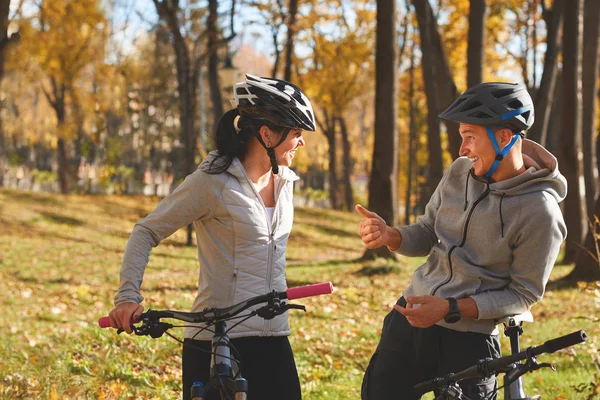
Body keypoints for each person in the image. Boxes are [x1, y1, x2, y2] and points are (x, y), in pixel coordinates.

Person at [108, 74, 316, 400]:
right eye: (296, 132)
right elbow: (146, 231)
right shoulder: (214, 181)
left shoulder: (285, 181)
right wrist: (127, 297)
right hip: (217, 342)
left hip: (274, 336)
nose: (301, 141)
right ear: (266, 135)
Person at [356, 82, 567, 399]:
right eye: (462, 137)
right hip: (410, 316)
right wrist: (391, 235)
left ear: (504, 138)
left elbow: (522, 295)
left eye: (470, 137)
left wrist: (449, 308)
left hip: (470, 342)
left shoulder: (541, 212)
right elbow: (428, 231)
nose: (462, 150)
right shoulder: (458, 172)